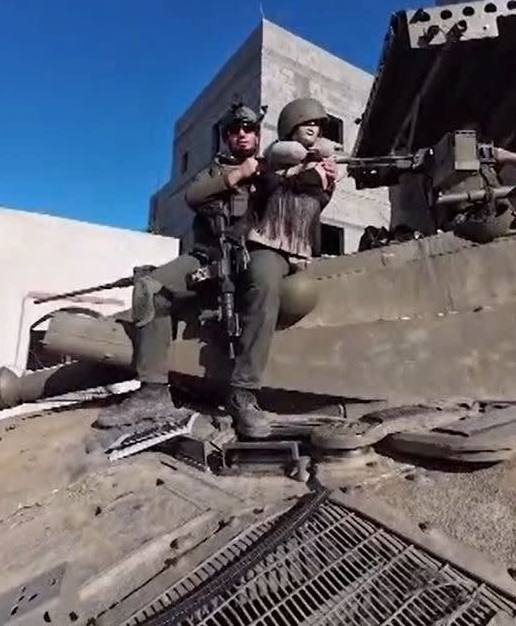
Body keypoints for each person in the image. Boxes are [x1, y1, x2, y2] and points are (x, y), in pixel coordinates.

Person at [97, 101, 265, 430]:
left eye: (249, 129)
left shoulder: (270, 170)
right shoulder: (212, 173)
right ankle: (153, 392)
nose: (242, 135)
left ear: (258, 134)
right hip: (207, 258)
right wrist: (239, 174)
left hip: (252, 258)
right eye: (234, 130)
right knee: (150, 288)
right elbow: (194, 195)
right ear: (225, 138)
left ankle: (245, 394)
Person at [226, 98, 338, 437]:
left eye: (318, 124)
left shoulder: (323, 164)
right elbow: (279, 180)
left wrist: (325, 171)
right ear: (290, 124)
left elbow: (318, 194)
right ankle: (242, 393)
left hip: (301, 251)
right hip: (267, 246)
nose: (313, 128)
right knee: (264, 287)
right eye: (306, 122)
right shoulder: (276, 156)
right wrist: (312, 170)